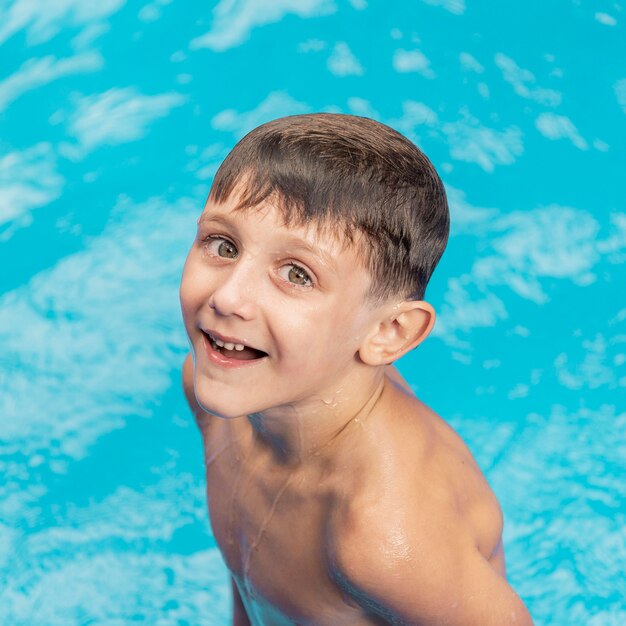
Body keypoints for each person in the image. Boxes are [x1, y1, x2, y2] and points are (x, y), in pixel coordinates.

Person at [179, 113, 533, 625]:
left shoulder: (383, 538)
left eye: (297, 274)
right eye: (223, 245)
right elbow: (247, 581)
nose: (228, 297)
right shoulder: (217, 388)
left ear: (388, 334)